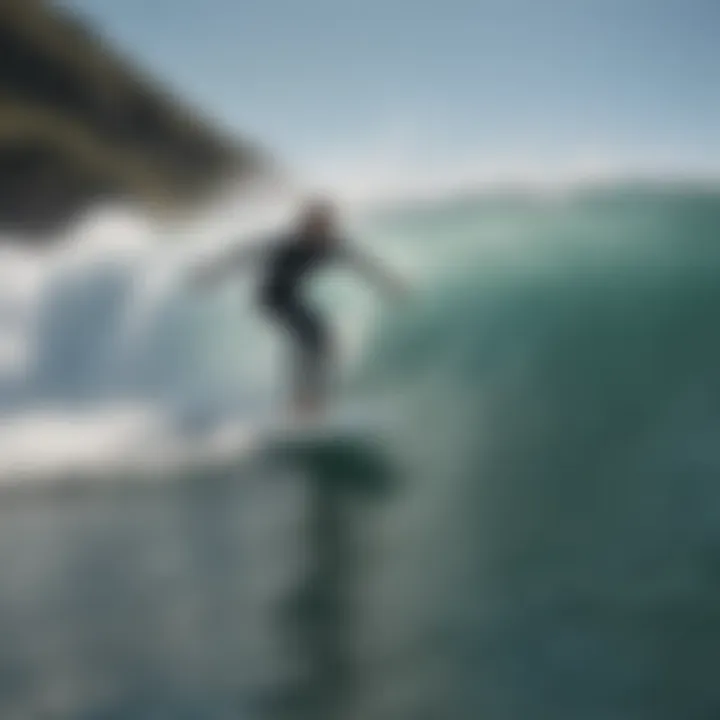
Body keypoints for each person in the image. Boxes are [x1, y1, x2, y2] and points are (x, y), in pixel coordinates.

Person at [192, 198, 406, 421]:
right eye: (315, 225)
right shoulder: (287, 243)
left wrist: (388, 283)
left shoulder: (331, 245)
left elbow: (361, 263)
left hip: (290, 297)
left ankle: (312, 401)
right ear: (305, 225)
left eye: (325, 225)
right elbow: (245, 253)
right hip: (270, 297)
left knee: (323, 341)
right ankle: (301, 402)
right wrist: (212, 272)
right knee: (309, 338)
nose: (320, 231)